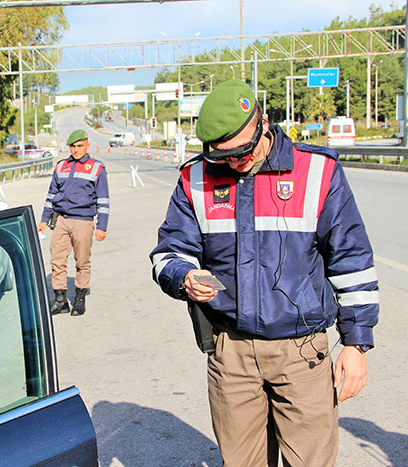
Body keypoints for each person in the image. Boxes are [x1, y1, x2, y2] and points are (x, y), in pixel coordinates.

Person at [149, 79, 378, 466]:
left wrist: (356, 345)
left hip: (301, 353)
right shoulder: (196, 177)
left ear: (263, 123)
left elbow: (352, 261)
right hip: (230, 352)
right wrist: (184, 276)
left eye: (242, 151)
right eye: (223, 156)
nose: (234, 162)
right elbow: (169, 251)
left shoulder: (317, 172)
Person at [37, 129, 110, 316]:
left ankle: (79, 299)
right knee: (57, 261)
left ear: (87, 146)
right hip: (61, 220)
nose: (76, 150)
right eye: (73, 146)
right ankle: (60, 300)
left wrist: (102, 226)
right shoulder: (61, 166)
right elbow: (51, 195)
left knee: (82, 261)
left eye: (79, 146)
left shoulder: (96, 168)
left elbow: (103, 200)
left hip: (83, 221)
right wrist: (44, 220)